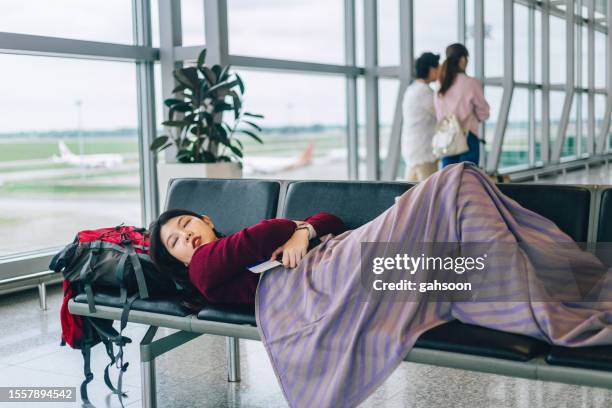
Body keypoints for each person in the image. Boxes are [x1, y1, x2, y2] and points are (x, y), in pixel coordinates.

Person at [148, 209, 345, 305]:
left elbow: (331, 219)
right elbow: (270, 231)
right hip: (334, 278)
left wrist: (302, 232)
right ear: (179, 261)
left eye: (186, 223)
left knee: (376, 248)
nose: (186, 235)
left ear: (207, 221)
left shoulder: (239, 248)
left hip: (338, 262)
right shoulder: (200, 268)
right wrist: (299, 230)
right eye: (174, 242)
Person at [434, 43, 490, 167]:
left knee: (448, 181)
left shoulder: (440, 84)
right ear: (462, 59)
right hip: (467, 137)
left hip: (447, 138)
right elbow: (484, 112)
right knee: (468, 180)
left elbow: (439, 113)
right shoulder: (471, 83)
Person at [401, 52, 441, 182]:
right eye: (437, 68)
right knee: (428, 196)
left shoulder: (412, 89)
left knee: (411, 194)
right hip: (424, 153)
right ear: (431, 69)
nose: (440, 71)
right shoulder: (424, 91)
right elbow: (442, 113)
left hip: (414, 151)